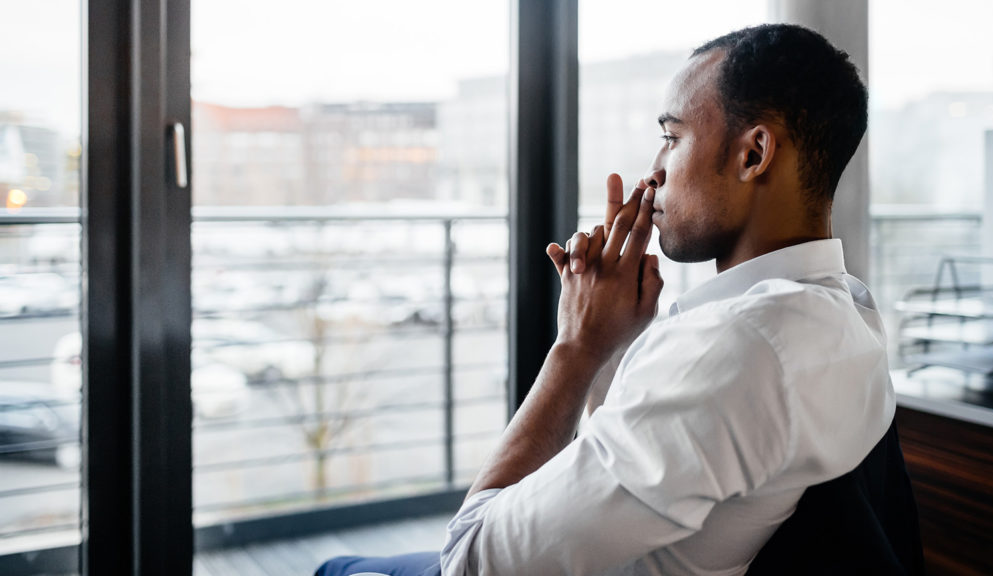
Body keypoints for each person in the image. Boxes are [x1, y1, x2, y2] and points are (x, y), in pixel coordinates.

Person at [317, 22, 892, 576]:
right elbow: (644, 457)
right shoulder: (848, 311)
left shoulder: (736, 351)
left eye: (672, 137)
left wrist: (577, 346)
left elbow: (469, 559)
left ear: (753, 154)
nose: (653, 171)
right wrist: (615, 342)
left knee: (332, 567)